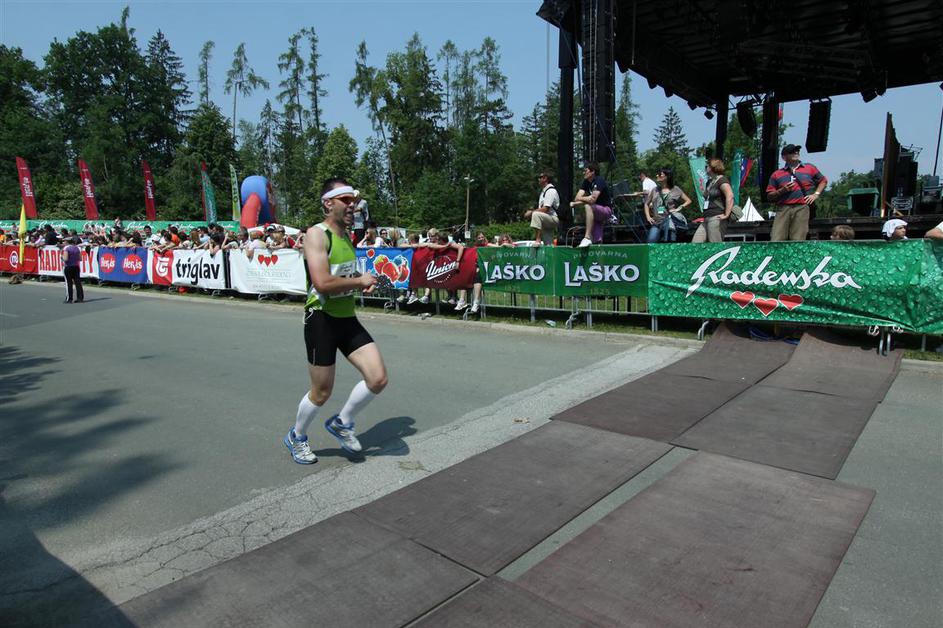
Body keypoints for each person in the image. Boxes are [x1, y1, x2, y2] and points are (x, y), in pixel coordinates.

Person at [284, 177, 388, 465]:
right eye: (346, 200)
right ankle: (297, 436)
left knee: (377, 378)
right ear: (328, 204)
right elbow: (322, 282)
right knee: (321, 391)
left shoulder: (345, 238)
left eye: (354, 200)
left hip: (346, 317)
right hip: (321, 318)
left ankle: (342, 422)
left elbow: (343, 278)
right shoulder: (317, 234)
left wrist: (362, 283)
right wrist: (358, 281)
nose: (352, 205)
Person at [766, 144, 827, 241]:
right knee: (776, 238)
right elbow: (769, 196)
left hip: (802, 207)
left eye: (797, 151)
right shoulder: (776, 174)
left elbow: (823, 181)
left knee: (798, 239)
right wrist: (782, 190)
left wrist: (816, 194)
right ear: (784, 157)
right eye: (792, 152)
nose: (796, 153)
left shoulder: (810, 168)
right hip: (783, 208)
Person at [644, 168, 692, 243]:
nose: (657, 175)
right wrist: (648, 217)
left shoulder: (675, 189)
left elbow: (688, 200)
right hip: (657, 222)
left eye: (660, 174)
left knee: (670, 241)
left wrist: (679, 208)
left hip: (669, 221)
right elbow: (646, 204)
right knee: (651, 241)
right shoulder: (655, 190)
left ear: (667, 177)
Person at [571, 162, 613, 247]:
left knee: (588, 206)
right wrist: (588, 198)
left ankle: (587, 237)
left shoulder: (599, 180)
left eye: (585, 170)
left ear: (592, 171)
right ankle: (596, 248)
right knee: (597, 241)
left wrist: (587, 199)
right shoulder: (586, 182)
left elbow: (592, 200)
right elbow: (577, 198)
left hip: (606, 210)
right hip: (595, 210)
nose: (583, 173)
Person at [692, 159, 734, 243]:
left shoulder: (722, 180)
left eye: (707, 166)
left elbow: (730, 196)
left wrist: (726, 215)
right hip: (706, 218)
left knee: (715, 244)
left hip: (716, 217)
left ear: (713, 167)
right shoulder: (709, 182)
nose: (705, 168)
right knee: (695, 243)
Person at [523, 172, 560, 245]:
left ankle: (538, 239)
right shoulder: (543, 192)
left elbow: (546, 209)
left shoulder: (550, 191)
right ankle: (549, 250)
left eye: (540, 177)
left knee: (536, 214)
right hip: (546, 219)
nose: (538, 179)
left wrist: (531, 212)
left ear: (545, 178)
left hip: (553, 218)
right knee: (548, 244)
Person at [62, 236, 84, 304]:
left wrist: (62, 257)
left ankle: (69, 299)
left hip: (68, 266)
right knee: (78, 282)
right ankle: (80, 298)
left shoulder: (66, 248)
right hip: (76, 266)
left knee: (68, 283)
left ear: (67, 242)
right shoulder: (77, 248)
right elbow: (80, 258)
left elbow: (66, 259)